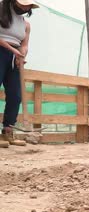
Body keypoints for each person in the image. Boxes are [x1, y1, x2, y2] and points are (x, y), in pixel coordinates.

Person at [0, 0, 38, 147]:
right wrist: (11, 49)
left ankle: (8, 132)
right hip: (2, 51)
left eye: (28, 6)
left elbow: (24, 44)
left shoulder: (25, 24)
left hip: (15, 57)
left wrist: (21, 54)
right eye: (23, 4)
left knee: (16, 95)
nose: (25, 7)